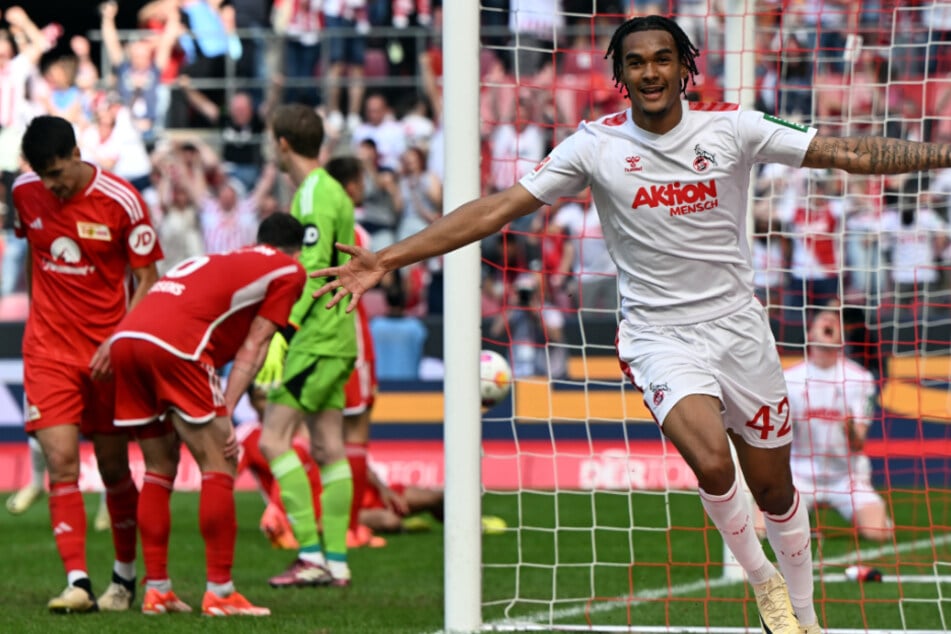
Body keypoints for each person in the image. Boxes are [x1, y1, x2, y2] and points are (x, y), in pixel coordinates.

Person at [311, 15, 951, 634]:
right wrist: (388, 257)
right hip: (657, 334)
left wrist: (942, 154)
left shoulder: (734, 128)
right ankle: (764, 585)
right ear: (619, 73)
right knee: (712, 464)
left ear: (684, 67)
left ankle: (804, 618)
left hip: (739, 330)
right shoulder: (595, 144)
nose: (650, 72)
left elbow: (845, 151)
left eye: (662, 59)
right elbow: (499, 207)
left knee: (775, 487)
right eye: (636, 62)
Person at [107, 213, 308, 617]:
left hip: (126, 341)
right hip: (177, 346)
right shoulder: (289, 269)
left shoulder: (221, 258)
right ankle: (220, 591)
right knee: (221, 460)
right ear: (297, 248)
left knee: (159, 468)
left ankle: (158, 590)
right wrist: (227, 409)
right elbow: (256, 344)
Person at [12, 115, 163, 613]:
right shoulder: (25, 192)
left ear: (77, 153)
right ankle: (79, 582)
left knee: (115, 468)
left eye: (57, 173)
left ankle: (123, 578)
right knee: (60, 462)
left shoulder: (123, 200)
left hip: (107, 355)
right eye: (43, 175)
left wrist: (119, 340)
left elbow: (147, 281)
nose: (51, 186)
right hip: (49, 351)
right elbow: (34, 252)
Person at [258, 104, 357, 588]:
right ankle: (335, 561)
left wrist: (284, 326)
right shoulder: (329, 191)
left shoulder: (315, 193)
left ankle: (312, 555)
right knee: (327, 446)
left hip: (314, 336)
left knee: (272, 439)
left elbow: (311, 268)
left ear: (282, 144)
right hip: (339, 336)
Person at [754, 303, 893, 543]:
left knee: (878, 533)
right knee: (758, 530)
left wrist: (848, 428)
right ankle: (798, 515)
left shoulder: (861, 379)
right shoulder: (788, 379)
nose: (829, 322)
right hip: (799, 473)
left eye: (835, 320)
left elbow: (858, 444)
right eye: (823, 319)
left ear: (842, 335)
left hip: (846, 476)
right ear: (810, 333)